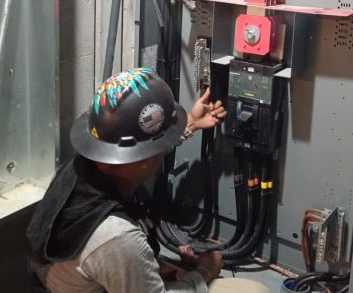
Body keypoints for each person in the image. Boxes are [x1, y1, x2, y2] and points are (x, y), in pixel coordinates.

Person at [27, 68, 270, 293]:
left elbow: (141, 150)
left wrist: (192, 123)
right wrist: (205, 271)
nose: (164, 151)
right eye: (161, 147)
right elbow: (121, 247)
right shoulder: (117, 237)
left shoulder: (84, 164)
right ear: (145, 158)